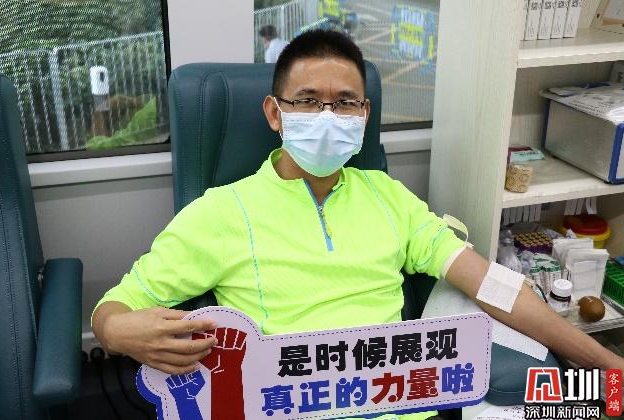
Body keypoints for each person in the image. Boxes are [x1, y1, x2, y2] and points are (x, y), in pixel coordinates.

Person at [92, 30, 624, 419]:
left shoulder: (388, 197)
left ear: (364, 115)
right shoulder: (222, 212)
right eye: (308, 101)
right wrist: (118, 331)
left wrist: (605, 364)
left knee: (564, 405)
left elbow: (492, 286)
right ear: (275, 113)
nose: (328, 116)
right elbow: (114, 310)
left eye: (345, 103)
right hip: (289, 404)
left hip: (400, 402)